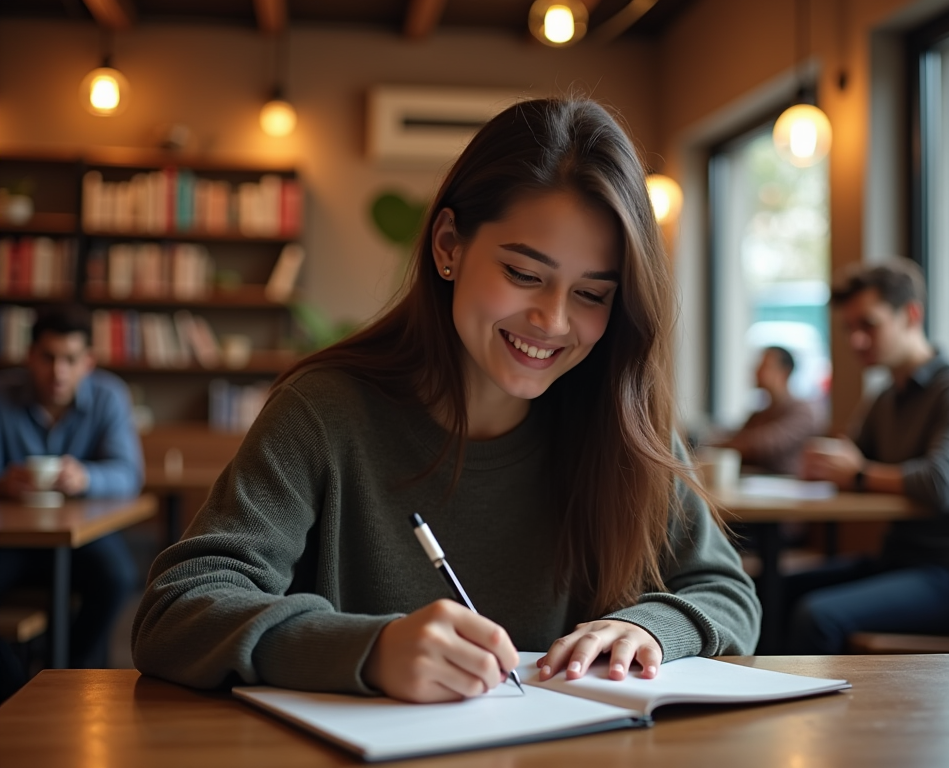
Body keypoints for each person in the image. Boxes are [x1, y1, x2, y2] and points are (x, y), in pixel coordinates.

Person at [132, 97, 760, 703]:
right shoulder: (324, 411)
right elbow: (177, 609)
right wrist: (368, 649)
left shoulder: (618, 420)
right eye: (523, 273)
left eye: (592, 294)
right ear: (448, 246)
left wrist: (652, 628)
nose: (552, 320)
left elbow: (726, 591)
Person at [791, 258, 949, 653]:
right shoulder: (887, 397)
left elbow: (940, 484)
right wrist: (826, 464)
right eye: (849, 329)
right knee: (767, 590)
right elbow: (850, 457)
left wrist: (858, 475)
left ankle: (823, 714)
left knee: (817, 614)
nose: (856, 340)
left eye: (869, 325)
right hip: (899, 561)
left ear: (911, 314)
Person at [0, 305, 143, 669]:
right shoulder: (4, 396)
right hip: (14, 540)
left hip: (82, 538)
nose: (58, 372)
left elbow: (129, 473)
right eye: (47, 358)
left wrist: (86, 478)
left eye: (70, 359)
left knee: (118, 576)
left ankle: (62, 671)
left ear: (88, 362)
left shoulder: (108, 396)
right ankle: (16, 687)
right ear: (30, 356)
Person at [714, 346, 818, 475]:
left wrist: (721, 444)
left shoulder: (801, 412)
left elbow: (763, 445)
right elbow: (738, 439)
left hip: (787, 485)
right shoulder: (761, 413)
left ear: (784, 372)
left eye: (764, 366)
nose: (756, 371)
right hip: (758, 483)